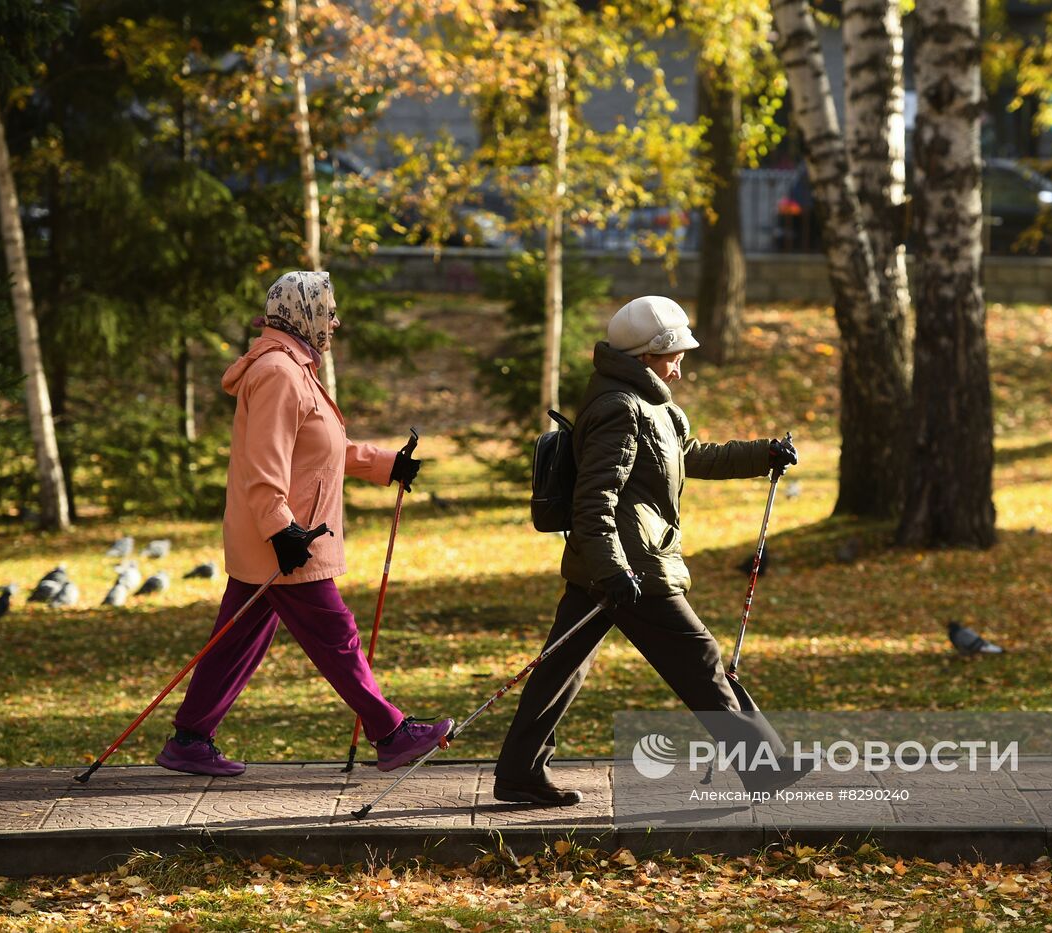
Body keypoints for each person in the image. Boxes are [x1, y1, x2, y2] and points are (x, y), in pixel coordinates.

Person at [492, 295, 800, 806]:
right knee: (699, 656)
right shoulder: (619, 407)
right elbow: (595, 499)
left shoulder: (651, 403)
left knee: (561, 667)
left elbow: (690, 455)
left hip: (614, 563)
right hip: (631, 565)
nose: (680, 367)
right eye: (674, 355)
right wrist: (612, 569)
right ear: (644, 357)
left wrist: (762, 454)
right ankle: (764, 769)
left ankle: (520, 772)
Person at [156, 270, 453, 777]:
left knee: (236, 640)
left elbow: (318, 450)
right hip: (287, 541)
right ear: (304, 314)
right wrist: (281, 529)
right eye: (328, 311)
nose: (335, 321)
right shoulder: (277, 372)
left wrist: (386, 464)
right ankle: (391, 732)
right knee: (337, 636)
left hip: (276, 537)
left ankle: (189, 738)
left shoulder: (292, 367)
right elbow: (263, 462)